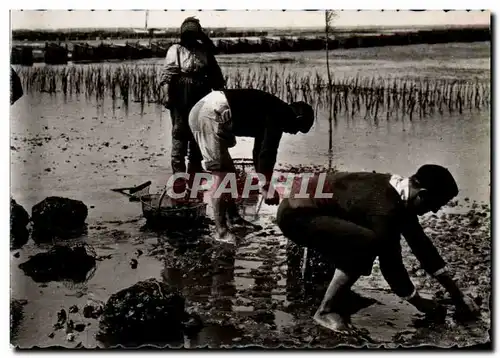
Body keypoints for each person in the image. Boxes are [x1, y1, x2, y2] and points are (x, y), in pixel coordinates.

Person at [276, 164, 480, 333]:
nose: (434, 211)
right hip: (296, 215)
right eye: (435, 205)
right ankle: (325, 310)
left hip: (306, 203)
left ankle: (322, 288)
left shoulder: (398, 191)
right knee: (368, 242)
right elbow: (391, 265)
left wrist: (457, 294)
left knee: (358, 233)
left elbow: (423, 248)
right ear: (422, 194)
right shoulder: (386, 209)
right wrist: (418, 302)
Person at [188, 88, 315, 244]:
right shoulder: (281, 114)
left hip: (209, 109)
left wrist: (263, 181)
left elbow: (259, 150)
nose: (294, 133)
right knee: (221, 175)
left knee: (229, 173)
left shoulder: (273, 111)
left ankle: (234, 219)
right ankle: (220, 231)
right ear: (297, 117)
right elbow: (269, 151)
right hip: (211, 114)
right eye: (298, 128)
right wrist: (267, 185)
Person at [159, 17, 225, 181]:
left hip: (201, 95)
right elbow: (167, 75)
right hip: (181, 95)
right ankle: (179, 174)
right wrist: (167, 95)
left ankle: (195, 170)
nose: (190, 39)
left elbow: (216, 75)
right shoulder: (176, 50)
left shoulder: (204, 51)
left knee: (198, 131)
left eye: (193, 35)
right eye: (187, 35)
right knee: (180, 132)